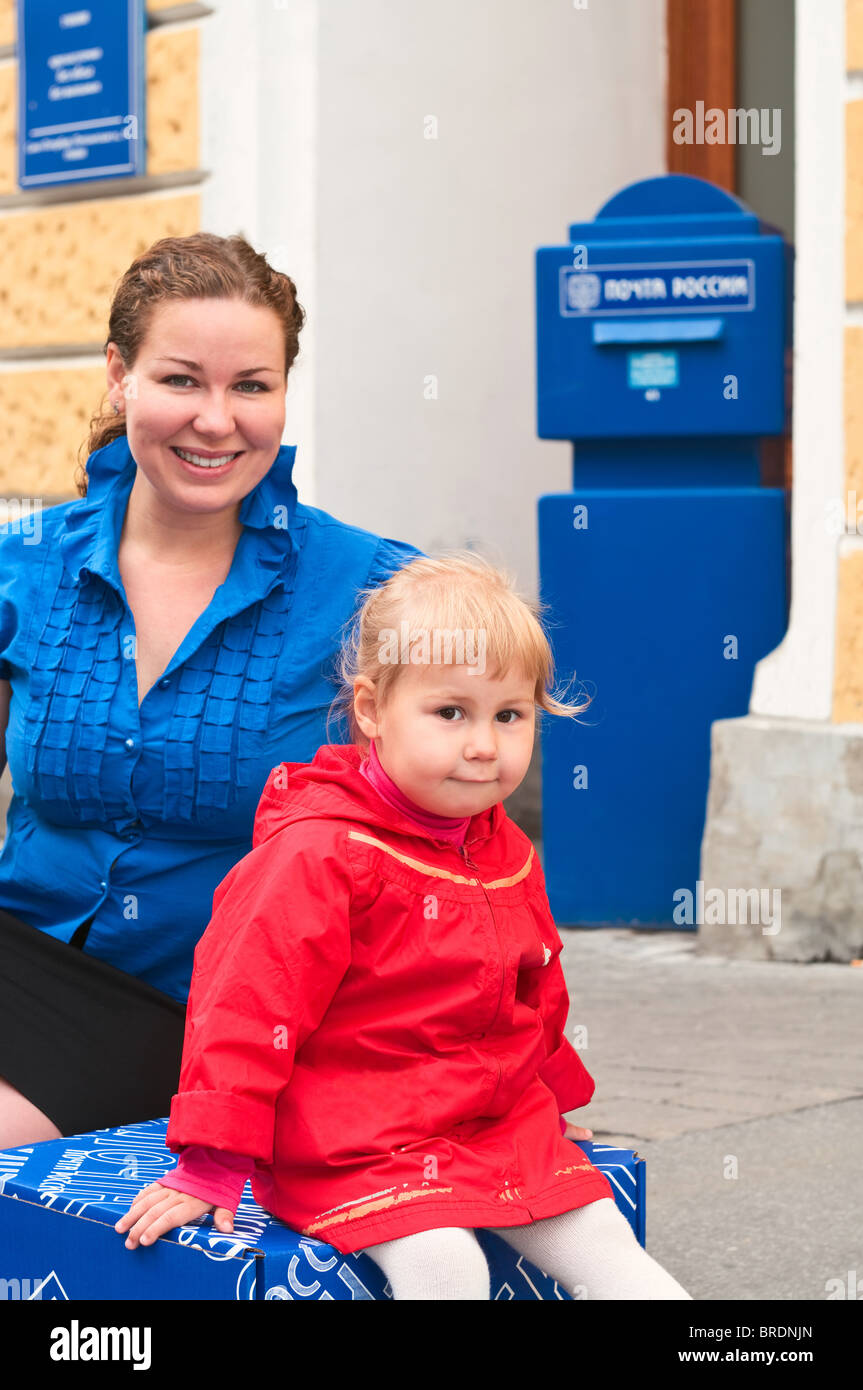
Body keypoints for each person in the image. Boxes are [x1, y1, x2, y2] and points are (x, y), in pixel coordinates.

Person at [114, 552, 692, 1301]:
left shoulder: (501, 845)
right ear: (370, 711)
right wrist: (214, 1160)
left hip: (488, 1122)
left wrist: (552, 1099)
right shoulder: (320, 853)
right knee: (446, 1266)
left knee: (607, 1244)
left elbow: (534, 984)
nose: (484, 745)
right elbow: (247, 1009)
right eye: (450, 712)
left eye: (508, 715)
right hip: (356, 1136)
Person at [0, 232, 420, 1149]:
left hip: (218, 1006)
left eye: (251, 387)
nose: (217, 419)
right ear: (121, 377)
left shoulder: (371, 589)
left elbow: (458, 795)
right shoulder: (24, 567)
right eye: (182, 380)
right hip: (20, 954)